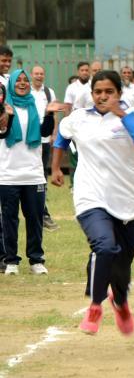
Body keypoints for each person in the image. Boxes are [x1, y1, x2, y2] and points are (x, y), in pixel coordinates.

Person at [50, 69, 134, 335]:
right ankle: (95, 307)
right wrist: (55, 168)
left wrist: (122, 114)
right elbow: (62, 136)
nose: (103, 96)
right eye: (98, 92)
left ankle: (120, 302)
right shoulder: (79, 119)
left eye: (109, 91)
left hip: (128, 201)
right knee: (104, 247)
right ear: (91, 94)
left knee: (121, 267)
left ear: (119, 93)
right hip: (90, 197)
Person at [0, 70, 59, 275]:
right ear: (12, 84)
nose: (23, 83)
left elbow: (44, 133)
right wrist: (7, 115)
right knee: (9, 220)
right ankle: (11, 261)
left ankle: (36, 260)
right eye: (19, 80)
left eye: (26, 80)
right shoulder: (3, 106)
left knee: (35, 218)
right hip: (8, 175)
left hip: (34, 174)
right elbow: (3, 133)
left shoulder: (34, 105)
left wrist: (49, 114)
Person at [29, 66, 59, 230]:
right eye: (36, 74)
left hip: (45, 140)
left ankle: (43, 214)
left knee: (42, 176)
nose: (39, 76)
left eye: (41, 73)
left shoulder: (49, 92)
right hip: (30, 141)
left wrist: (54, 133)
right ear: (31, 75)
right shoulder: (27, 91)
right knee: (31, 176)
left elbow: (54, 114)